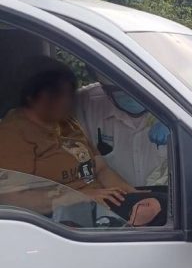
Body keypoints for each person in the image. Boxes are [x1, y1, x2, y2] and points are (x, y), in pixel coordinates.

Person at [0, 57, 162, 226]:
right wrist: (78, 197)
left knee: (165, 206)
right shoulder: (13, 134)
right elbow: (10, 198)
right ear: (30, 95)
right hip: (62, 223)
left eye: (68, 94)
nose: (66, 100)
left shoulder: (66, 123)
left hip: (101, 204)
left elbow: (101, 169)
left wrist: (132, 195)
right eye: (56, 94)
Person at [77, 82, 169, 187]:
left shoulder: (173, 100)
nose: (132, 95)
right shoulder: (86, 103)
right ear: (106, 92)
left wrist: (172, 122)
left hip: (167, 194)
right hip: (113, 194)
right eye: (121, 92)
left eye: (137, 89)